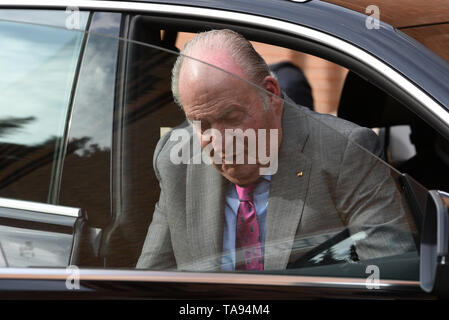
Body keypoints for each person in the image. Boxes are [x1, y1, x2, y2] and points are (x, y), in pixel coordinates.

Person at [136, 29, 415, 271]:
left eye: (232, 118)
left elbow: (391, 277)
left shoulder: (346, 152)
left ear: (270, 93)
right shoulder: (175, 161)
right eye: (202, 124)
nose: (220, 142)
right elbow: (149, 285)